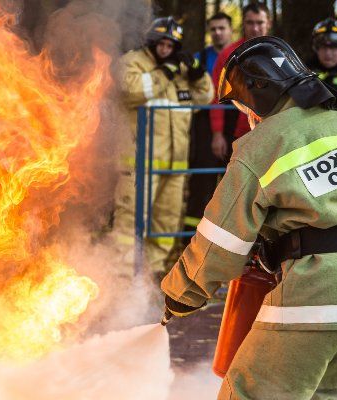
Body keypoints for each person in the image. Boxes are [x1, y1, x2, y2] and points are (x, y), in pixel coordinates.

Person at [161, 36, 337, 399]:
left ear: (258, 91)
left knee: (247, 393)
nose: (249, 116)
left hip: (317, 290)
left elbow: (221, 235)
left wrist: (180, 294)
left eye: (245, 106)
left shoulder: (264, 141)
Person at [112, 16, 213, 277]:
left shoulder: (178, 70)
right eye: (162, 44)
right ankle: (122, 277)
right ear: (152, 41)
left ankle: (152, 274)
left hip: (174, 164)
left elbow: (205, 97)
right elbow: (131, 91)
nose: (166, 50)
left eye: (172, 45)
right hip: (139, 163)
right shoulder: (132, 63)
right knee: (131, 223)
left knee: (167, 223)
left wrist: (198, 74)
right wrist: (163, 73)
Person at [183, 13, 234, 234]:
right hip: (203, 125)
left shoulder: (239, 54)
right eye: (213, 29)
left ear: (230, 30)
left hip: (231, 123)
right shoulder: (200, 58)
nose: (218, 33)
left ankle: (226, 239)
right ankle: (190, 238)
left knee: (231, 185)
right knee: (201, 184)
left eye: (222, 28)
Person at [210, 2, 271, 161]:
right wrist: (217, 134)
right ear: (243, 24)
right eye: (250, 23)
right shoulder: (228, 54)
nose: (255, 28)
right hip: (237, 132)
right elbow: (216, 95)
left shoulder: (279, 51)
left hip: (272, 130)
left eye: (260, 23)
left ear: (268, 23)